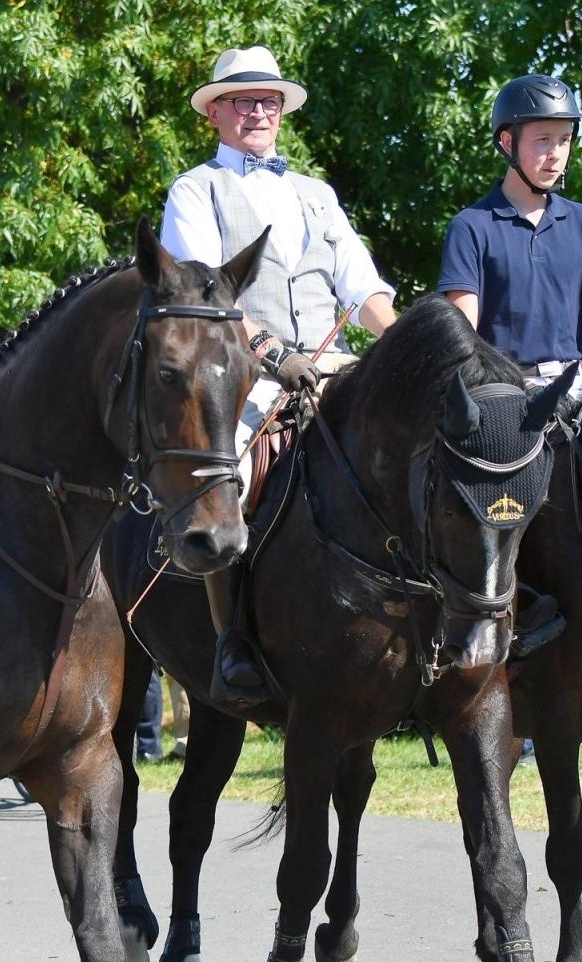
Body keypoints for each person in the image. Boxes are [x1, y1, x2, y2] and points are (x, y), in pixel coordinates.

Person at [161, 45, 399, 702]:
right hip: (243, 373)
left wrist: (409, 345)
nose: (258, 112)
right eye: (243, 101)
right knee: (227, 466)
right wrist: (273, 356)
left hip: (335, 366)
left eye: (268, 101)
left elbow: (362, 288)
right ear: (215, 113)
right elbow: (209, 299)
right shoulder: (195, 191)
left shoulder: (316, 194)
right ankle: (234, 636)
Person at [438, 73, 582, 657]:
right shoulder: (471, 227)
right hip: (505, 395)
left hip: (574, 391)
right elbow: (463, 336)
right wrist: (493, 400)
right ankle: (518, 611)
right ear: (508, 144)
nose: (556, 154)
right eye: (542, 140)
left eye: (564, 140)